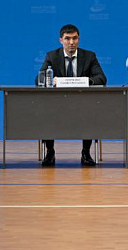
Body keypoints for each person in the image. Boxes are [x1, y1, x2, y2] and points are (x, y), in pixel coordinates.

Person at [37, 24, 107, 167]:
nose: (71, 42)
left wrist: (86, 81)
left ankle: (86, 153)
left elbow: (102, 78)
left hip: (82, 103)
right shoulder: (52, 56)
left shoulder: (89, 56)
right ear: (61, 40)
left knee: (90, 112)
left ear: (78, 39)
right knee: (45, 111)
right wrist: (51, 80)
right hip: (57, 104)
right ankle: (50, 152)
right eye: (67, 38)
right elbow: (39, 78)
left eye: (74, 38)